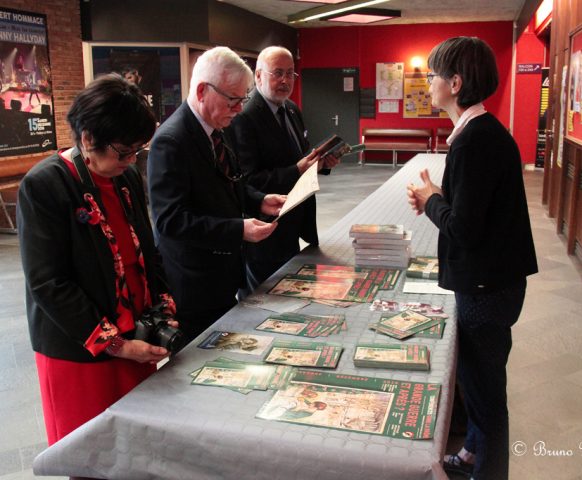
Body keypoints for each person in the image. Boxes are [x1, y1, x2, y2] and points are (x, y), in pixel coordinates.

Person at [17, 73, 178, 446]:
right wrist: (116, 345)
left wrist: (164, 308)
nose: (132, 160)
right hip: (79, 352)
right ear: (88, 138)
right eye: (124, 151)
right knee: (91, 451)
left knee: (138, 446)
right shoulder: (45, 184)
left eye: (138, 150)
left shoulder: (126, 178)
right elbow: (48, 284)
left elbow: (147, 251)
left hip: (134, 336)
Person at [406, 37, 538, 480]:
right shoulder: (479, 132)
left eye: (433, 75)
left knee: (484, 392)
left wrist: (430, 200)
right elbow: (472, 208)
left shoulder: (474, 141)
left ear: (455, 83)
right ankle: (470, 454)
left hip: (487, 287)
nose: (428, 82)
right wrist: (438, 197)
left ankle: (490, 470)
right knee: (478, 377)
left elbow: (464, 227)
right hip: (495, 281)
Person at [148, 46, 286, 344]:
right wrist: (239, 230)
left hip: (222, 275)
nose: (239, 109)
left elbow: (228, 182)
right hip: (193, 284)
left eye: (242, 99)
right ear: (202, 91)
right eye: (233, 100)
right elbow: (170, 221)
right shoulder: (171, 141)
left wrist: (258, 199)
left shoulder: (215, 128)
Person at [229, 46, 339, 294]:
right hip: (266, 227)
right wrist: (297, 170)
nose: (285, 80)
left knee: (289, 290)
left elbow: (301, 155)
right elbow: (248, 180)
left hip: (294, 221)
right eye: (277, 73)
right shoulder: (245, 118)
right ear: (258, 76)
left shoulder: (291, 109)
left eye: (290, 74)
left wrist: (320, 165)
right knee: (264, 298)